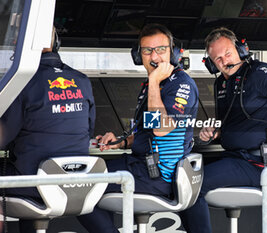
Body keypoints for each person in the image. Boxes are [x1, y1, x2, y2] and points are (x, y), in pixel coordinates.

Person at [179, 27, 267, 233]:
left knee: (190, 184)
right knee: (182, 169)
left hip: (256, 162)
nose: (224, 61)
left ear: (240, 50)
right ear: (211, 64)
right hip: (233, 158)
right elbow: (229, 124)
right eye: (217, 59)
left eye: (228, 53)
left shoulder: (259, 72)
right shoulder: (221, 83)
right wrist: (214, 133)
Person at [77, 23, 199, 233]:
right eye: (147, 50)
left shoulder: (180, 83)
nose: (155, 56)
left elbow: (161, 128)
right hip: (139, 166)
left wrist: (153, 82)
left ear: (174, 52)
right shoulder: (155, 83)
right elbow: (148, 132)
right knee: (82, 182)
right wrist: (121, 142)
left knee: (80, 190)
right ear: (138, 55)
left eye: (161, 49)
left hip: (158, 176)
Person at [0, 27, 95, 232]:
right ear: (56, 43)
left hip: (34, 185)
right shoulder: (83, 81)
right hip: (77, 184)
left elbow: (3, 138)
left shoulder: (23, 83)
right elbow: (89, 129)